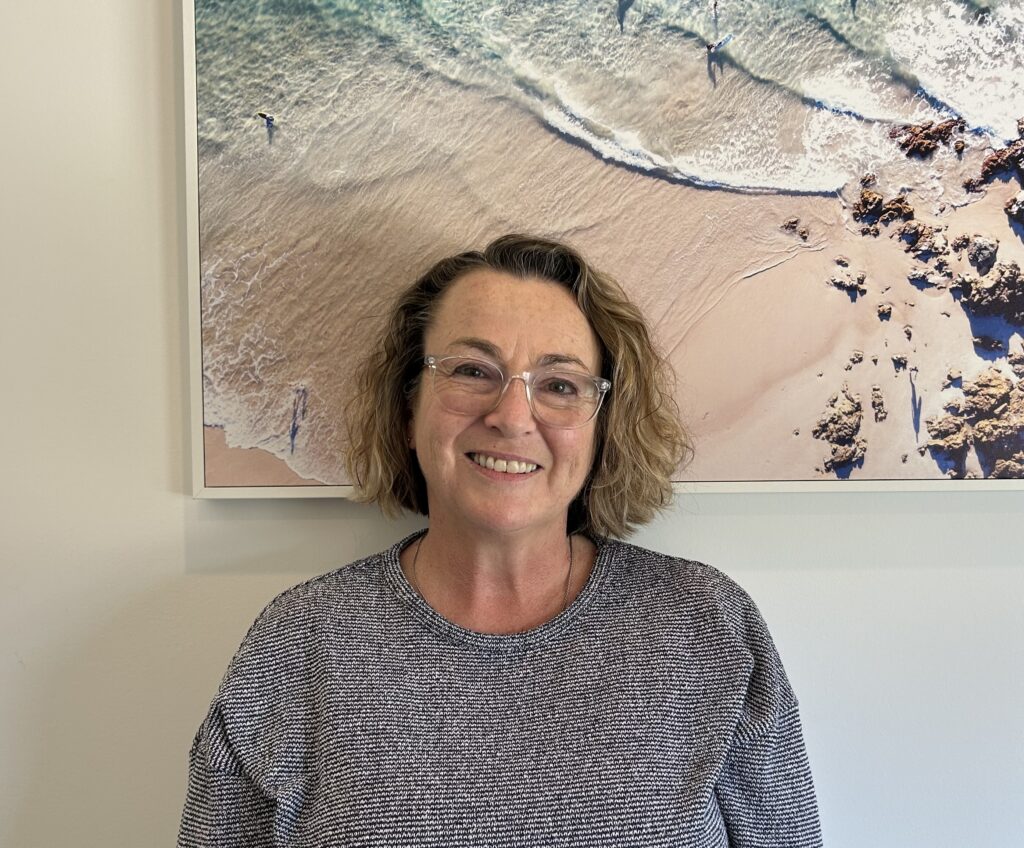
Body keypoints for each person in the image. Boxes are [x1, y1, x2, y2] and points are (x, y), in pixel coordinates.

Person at [177, 234, 823, 846]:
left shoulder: (705, 625)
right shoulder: (299, 644)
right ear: (408, 408)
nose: (512, 417)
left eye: (560, 385)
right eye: (471, 370)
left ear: (604, 427)